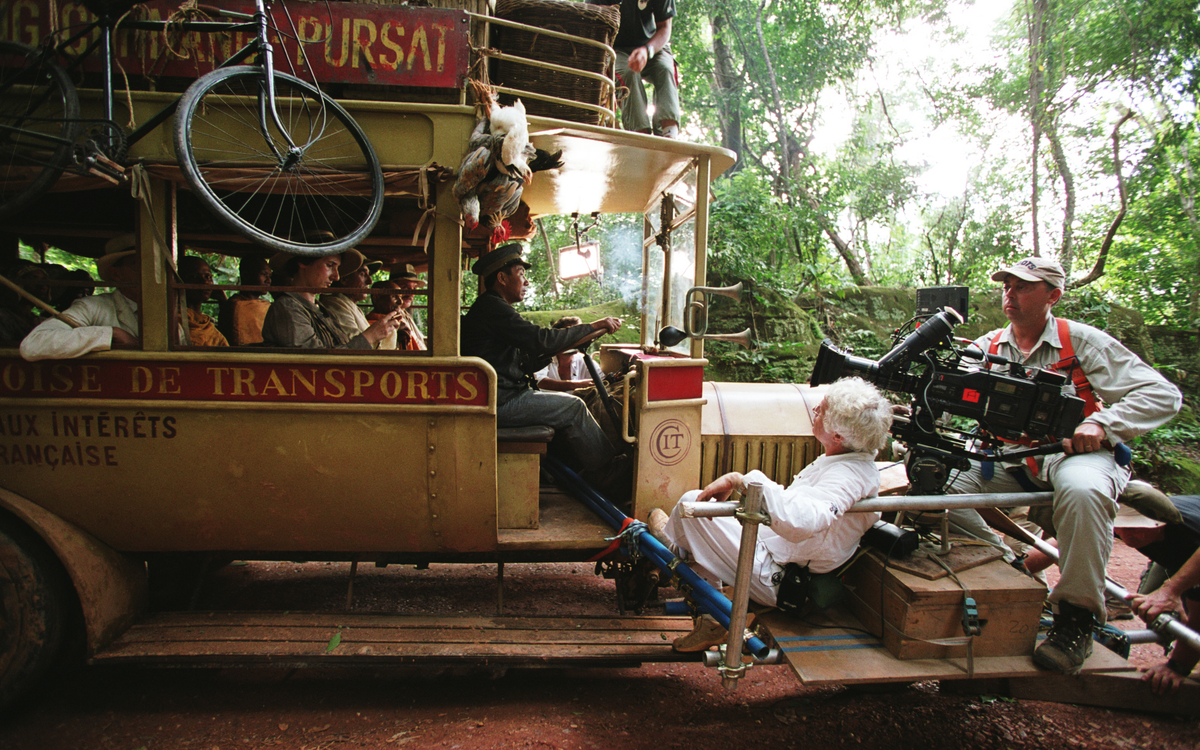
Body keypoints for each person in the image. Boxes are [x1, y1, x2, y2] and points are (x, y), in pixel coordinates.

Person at [943, 256, 1182, 675]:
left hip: (1073, 454)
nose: (1010, 293)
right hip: (1006, 456)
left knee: (1084, 491)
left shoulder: (1082, 341)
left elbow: (1163, 395)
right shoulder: (989, 345)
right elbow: (945, 385)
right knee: (933, 484)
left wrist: (1100, 422)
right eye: (1007, 285)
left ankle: (1076, 619)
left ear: (1052, 296)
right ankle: (1010, 568)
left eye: (1023, 287)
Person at [647, 376, 893, 651]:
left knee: (689, 509)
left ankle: (681, 559)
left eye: (821, 410)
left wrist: (742, 480)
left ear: (838, 436)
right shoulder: (843, 460)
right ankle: (696, 584)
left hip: (778, 575)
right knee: (695, 506)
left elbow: (802, 521)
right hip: (776, 551)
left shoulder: (846, 476)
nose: (815, 411)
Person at [460, 243, 625, 489]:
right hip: (500, 401)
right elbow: (541, 340)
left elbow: (526, 355)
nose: (526, 282)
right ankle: (606, 472)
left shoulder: (492, 307)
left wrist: (565, 345)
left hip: (500, 394)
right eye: (521, 274)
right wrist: (591, 326)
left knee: (574, 401)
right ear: (502, 278)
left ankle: (584, 467)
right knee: (573, 406)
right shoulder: (493, 308)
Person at [1115, 498, 1200, 695]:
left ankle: (1184, 656)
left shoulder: (1187, 536)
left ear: (1160, 524)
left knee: (1184, 609)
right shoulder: (1114, 521)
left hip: (1191, 547)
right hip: (1174, 548)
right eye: (1124, 526)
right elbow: (1065, 541)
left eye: (1137, 528)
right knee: (1153, 607)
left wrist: (1177, 668)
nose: (1129, 534)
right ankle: (1175, 643)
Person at [21, 234, 147, 360]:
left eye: (152, 265)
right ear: (116, 274)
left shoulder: (164, 306)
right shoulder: (93, 306)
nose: (148, 272)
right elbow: (33, 344)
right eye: (137, 265)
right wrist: (111, 333)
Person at [260, 253, 401, 349]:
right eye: (329, 265)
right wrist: (370, 336)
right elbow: (316, 363)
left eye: (337, 268)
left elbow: (341, 348)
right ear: (303, 262)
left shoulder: (321, 309)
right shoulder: (287, 307)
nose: (336, 276)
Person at [588, 0, 680, 138]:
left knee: (665, 68)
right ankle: (640, 136)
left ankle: (668, 135)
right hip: (616, 47)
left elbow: (665, 27)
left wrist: (647, 50)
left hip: (652, 43)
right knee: (627, 73)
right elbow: (591, 24)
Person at [319, 249, 381, 342]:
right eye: (362, 274)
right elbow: (354, 344)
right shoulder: (335, 304)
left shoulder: (350, 305)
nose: (370, 281)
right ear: (344, 279)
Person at [218, 255, 272, 346]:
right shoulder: (235, 306)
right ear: (245, 275)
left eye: (269, 276)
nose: (268, 280)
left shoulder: (265, 305)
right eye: (263, 274)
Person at [177, 255, 228, 347]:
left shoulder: (206, 324)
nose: (205, 282)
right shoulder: (175, 322)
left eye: (208, 276)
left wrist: (223, 300)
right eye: (195, 276)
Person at [535, 316, 594, 391]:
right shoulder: (544, 358)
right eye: (570, 336)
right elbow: (539, 381)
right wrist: (578, 385)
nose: (575, 340)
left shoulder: (582, 359)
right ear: (559, 338)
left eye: (578, 336)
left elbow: (601, 378)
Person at [0, 259, 50, 345]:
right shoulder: (3, 317)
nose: (42, 285)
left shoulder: (43, 322)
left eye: (44, 280)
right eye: (34, 278)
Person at [390, 263, 427, 351]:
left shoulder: (405, 314)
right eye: (405, 288)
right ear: (392, 288)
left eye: (414, 289)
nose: (411, 294)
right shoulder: (392, 316)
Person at [366, 279, 404, 350]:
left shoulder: (398, 323)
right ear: (376, 298)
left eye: (400, 297)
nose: (400, 302)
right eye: (394, 296)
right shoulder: (372, 327)